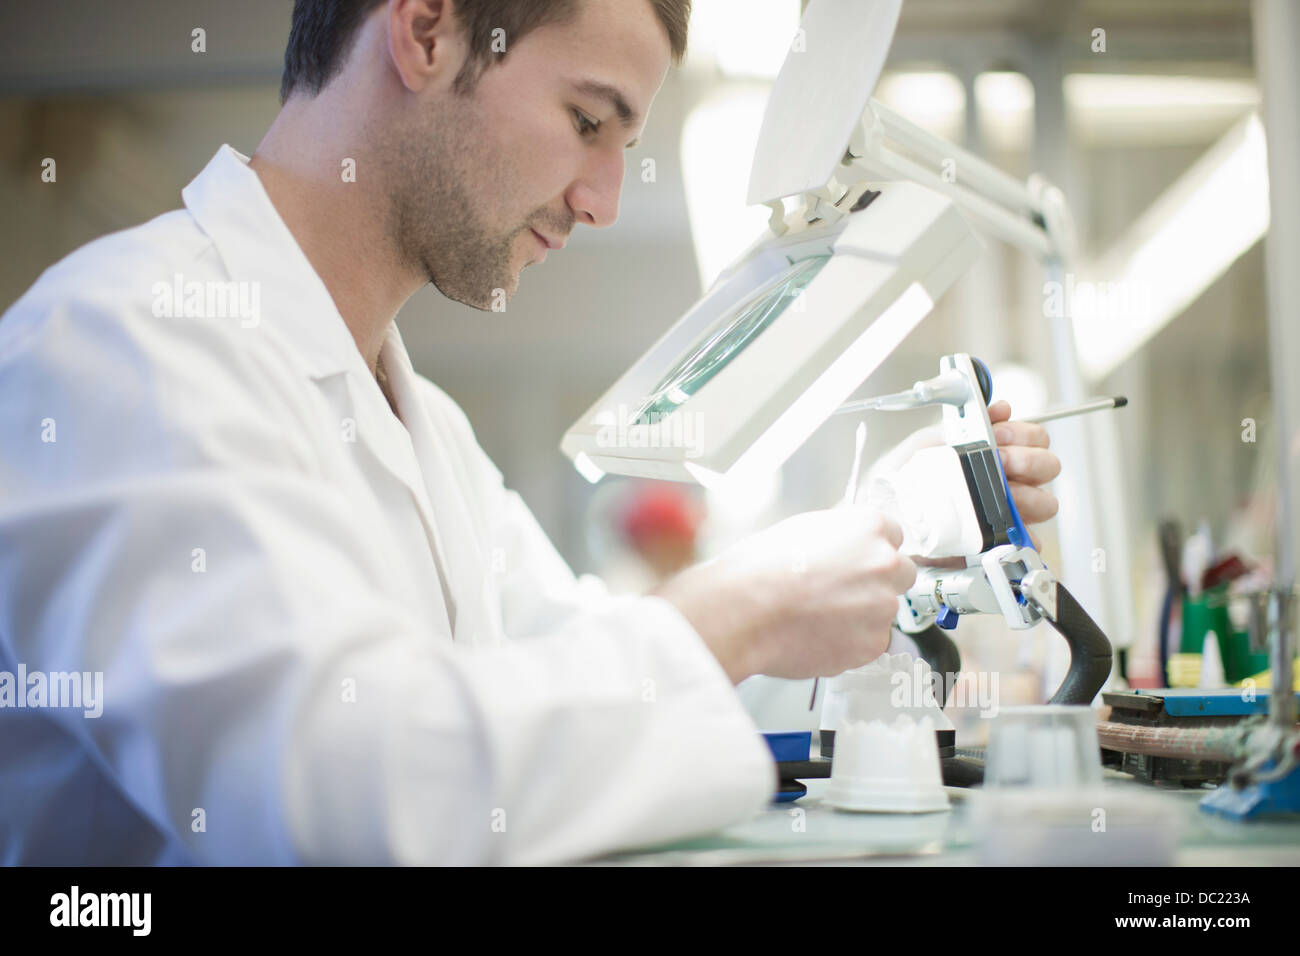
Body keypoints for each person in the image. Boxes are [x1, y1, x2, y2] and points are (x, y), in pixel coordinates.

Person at [0, 0, 1061, 864]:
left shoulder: (429, 430)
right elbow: (326, 804)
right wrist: (735, 607)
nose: (601, 200)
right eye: (589, 120)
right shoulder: (122, 340)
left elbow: (567, 685)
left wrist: (885, 530)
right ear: (426, 33)